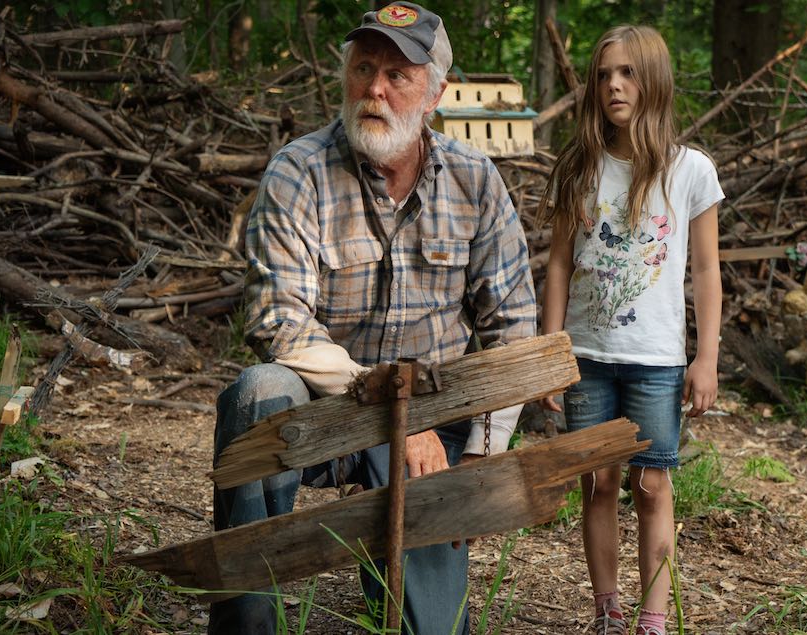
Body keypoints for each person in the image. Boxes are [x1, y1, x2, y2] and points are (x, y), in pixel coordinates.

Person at [209, 3, 535, 634]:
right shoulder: (298, 171)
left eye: (398, 74)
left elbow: (513, 329)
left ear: (436, 92)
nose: (375, 89)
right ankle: (248, 620)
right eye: (364, 68)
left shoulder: (476, 182)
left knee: (434, 628)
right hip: (325, 407)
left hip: (433, 423)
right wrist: (388, 409)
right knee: (257, 393)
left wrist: (479, 456)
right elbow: (280, 320)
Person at [539, 25, 723, 635]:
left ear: (655, 80)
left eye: (628, 72)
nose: (614, 84)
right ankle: (607, 611)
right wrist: (551, 354)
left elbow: (704, 269)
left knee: (651, 485)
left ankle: (653, 617)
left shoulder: (690, 170)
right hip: (588, 356)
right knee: (599, 484)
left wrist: (706, 359)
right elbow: (560, 263)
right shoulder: (580, 167)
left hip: (656, 359)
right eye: (603, 75)